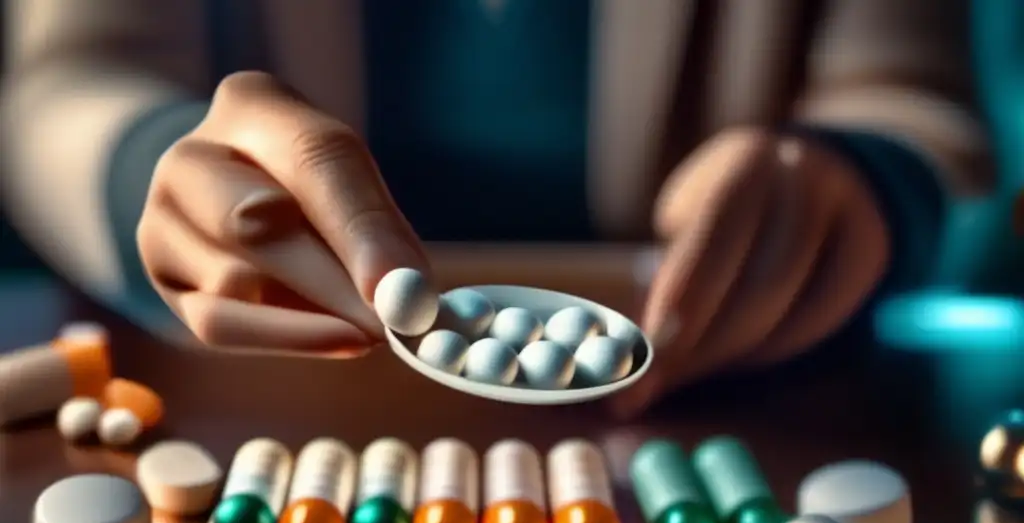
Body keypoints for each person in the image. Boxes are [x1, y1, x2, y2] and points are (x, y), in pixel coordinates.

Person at [0, 0, 994, 415]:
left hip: (721, 405)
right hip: (273, 402)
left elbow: (916, 97)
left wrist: (859, 180)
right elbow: (67, 78)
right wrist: (151, 172)